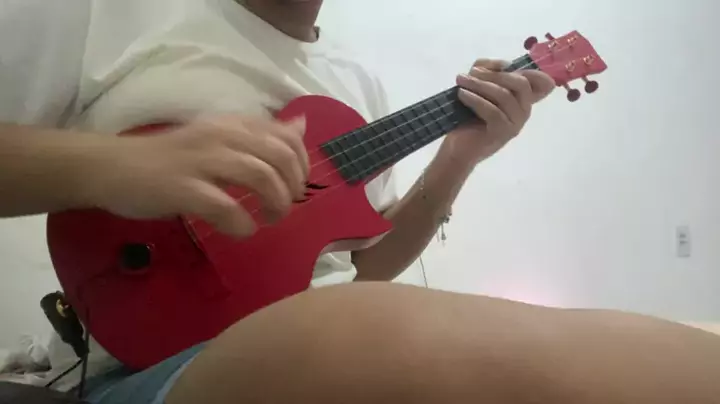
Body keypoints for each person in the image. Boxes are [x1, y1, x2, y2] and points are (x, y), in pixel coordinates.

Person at [1, 1, 720, 403]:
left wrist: (459, 156)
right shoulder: (109, 11)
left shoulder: (355, 84)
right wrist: (118, 163)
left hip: (327, 346)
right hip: (146, 370)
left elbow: (364, 268)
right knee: (376, 330)